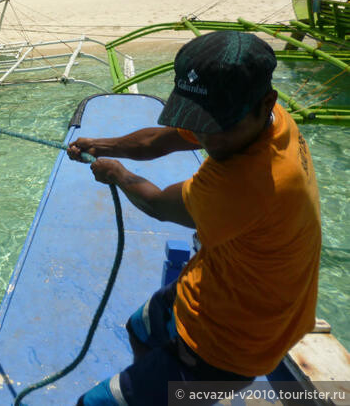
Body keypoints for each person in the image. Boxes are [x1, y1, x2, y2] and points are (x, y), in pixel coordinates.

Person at [67, 30, 321, 406]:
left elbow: (156, 204)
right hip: (219, 285)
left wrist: (117, 173)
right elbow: (165, 139)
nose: (206, 137)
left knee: (92, 404)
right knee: (139, 330)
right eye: (196, 119)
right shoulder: (253, 114)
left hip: (232, 346)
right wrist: (102, 145)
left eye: (217, 125)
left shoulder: (249, 183)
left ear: (267, 102)